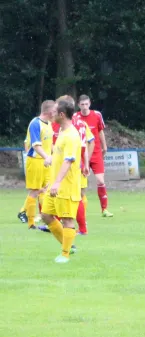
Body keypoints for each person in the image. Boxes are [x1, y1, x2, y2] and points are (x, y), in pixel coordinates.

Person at [40, 96, 82, 263]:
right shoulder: (62, 132)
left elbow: (69, 160)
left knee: (67, 219)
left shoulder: (72, 135)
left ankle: (65, 254)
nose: (52, 113)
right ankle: (68, 245)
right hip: (55, 184)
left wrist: (57, 182)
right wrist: (50, 159)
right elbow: (60, 157)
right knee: (46, 215)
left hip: (66, 186)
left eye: (55, 112)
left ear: (62, 115)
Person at [74, 95, 113, 217]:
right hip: (81, 154)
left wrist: (104, 146)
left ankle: (104, 209)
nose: (85, 107)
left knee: (101, 180)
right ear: (78, 105)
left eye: (86, 104)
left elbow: (100, 131)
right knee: (80, 186)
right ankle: (78, 211)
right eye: (82, 104)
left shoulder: (97, 115)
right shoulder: (75, 117)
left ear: (90, 103)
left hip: (95, 152)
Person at [19, 100, 56, 229]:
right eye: (55, 110)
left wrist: (55, 155)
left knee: (46, 190)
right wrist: (46, 157)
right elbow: (35, 145)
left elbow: (50, 143)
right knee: (34, 191)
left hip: (47, 162)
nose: (56, 113)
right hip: (35, 161)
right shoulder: (35, 124)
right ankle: (31, 223)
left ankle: (48, 218)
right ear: (49, 111)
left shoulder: (50, 124)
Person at [72, 113, 95, 235]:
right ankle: (81, 225)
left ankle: (81, 224)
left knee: (78, 194)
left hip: (72, 165)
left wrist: (86, 162)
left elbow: (89, 143)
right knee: (78, 194)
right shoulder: (80, 123)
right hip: (78, 163)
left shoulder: (76, 124)